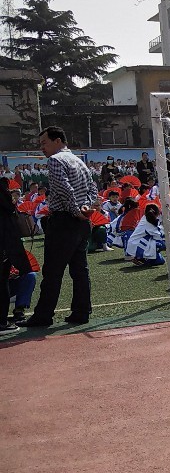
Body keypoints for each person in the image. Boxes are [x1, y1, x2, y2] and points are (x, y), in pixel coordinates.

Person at [19, 127, 98, 329]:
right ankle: (81, 311)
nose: (42, 148)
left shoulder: (55, 161)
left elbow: (64, 188)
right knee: (80, 270)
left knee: (53, 271)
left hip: (64, 221)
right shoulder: (79, 160)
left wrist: (75, 211)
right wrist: (85, 208)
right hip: (81, 222)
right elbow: (93, 188)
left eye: (44, 143)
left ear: (57, 140)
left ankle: (44, 315)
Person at [0, 181, 33, 336]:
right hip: (4, 244)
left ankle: (17, 310)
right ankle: (2, 322)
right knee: (2, 281)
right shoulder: (4, 201)